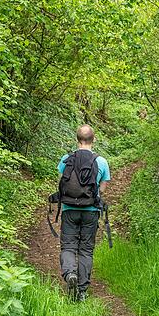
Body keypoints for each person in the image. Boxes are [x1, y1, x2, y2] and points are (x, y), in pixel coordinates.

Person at [57, 125, 110, 301]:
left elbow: (62, 182)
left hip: (69, 210)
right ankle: (82, 291)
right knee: (86, 250)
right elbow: (102, 189)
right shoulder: (101, 162)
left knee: (68, 246)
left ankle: (70, 273)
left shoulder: (66, 159)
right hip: (91, 211)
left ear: (77, 139)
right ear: (93, 139)